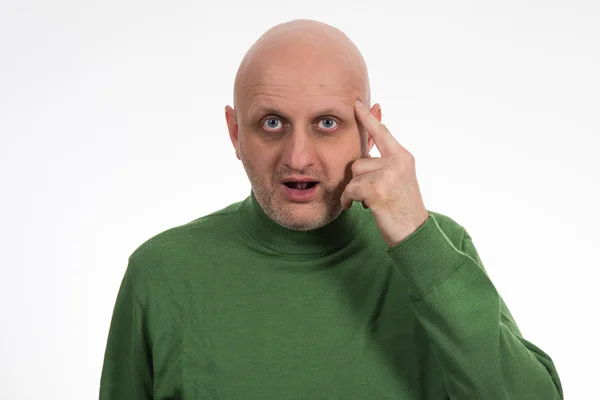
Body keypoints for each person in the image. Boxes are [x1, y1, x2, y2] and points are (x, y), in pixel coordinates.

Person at [99, 19, 563, 399]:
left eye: (327, 123)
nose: (298, 157)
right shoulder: (161, 272)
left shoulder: (435, 249)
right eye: (272, 122)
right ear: (235, 132)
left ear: (369, 130)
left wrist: (416, 238)